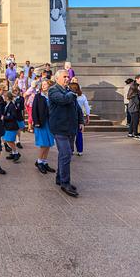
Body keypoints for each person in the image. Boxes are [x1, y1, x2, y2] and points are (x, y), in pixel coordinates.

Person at [48, 70, 83, 198]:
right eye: (65, 77)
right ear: (57, 79)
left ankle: (59, 177)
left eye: (68, 76)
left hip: (71, 128)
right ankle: (65, 183)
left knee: (64, 154)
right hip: (59, 128)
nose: (67, 78)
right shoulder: (53, 90)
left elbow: (77, 108)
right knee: (66, 154)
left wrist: (81, 121)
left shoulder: (69, 91)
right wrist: (72, 93)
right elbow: (63, 100)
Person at [32, 80, 56, 175]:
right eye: (44, 84)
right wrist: (36, 121)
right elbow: (34, 110)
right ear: (41, 86)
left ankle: (44, 162)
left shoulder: (51, 96)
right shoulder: (38, 96)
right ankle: (39, 162)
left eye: (47, 84)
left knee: (49, 143)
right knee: (43, 143)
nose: (45, 86)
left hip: (50, 123)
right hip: (41, 123)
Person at [70, 82, 90, 156]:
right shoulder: (82, 96)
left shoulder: (68, 95)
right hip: (80, 116)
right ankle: (80, 150)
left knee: (71, 135)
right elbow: (86, 106)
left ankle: (71, 150)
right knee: (79, 134)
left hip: (71, 117)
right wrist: (88, 115)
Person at [2, 92, 21, 163]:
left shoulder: (11, 105)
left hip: (12, 126)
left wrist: (4, 117)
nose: (3, 97)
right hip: (8, 125)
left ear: (7, 97)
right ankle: (13, 153)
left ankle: (16, 153)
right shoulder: (8, 104)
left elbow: (13, 116)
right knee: (9, 140)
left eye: (4, 96)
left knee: (9, 140)